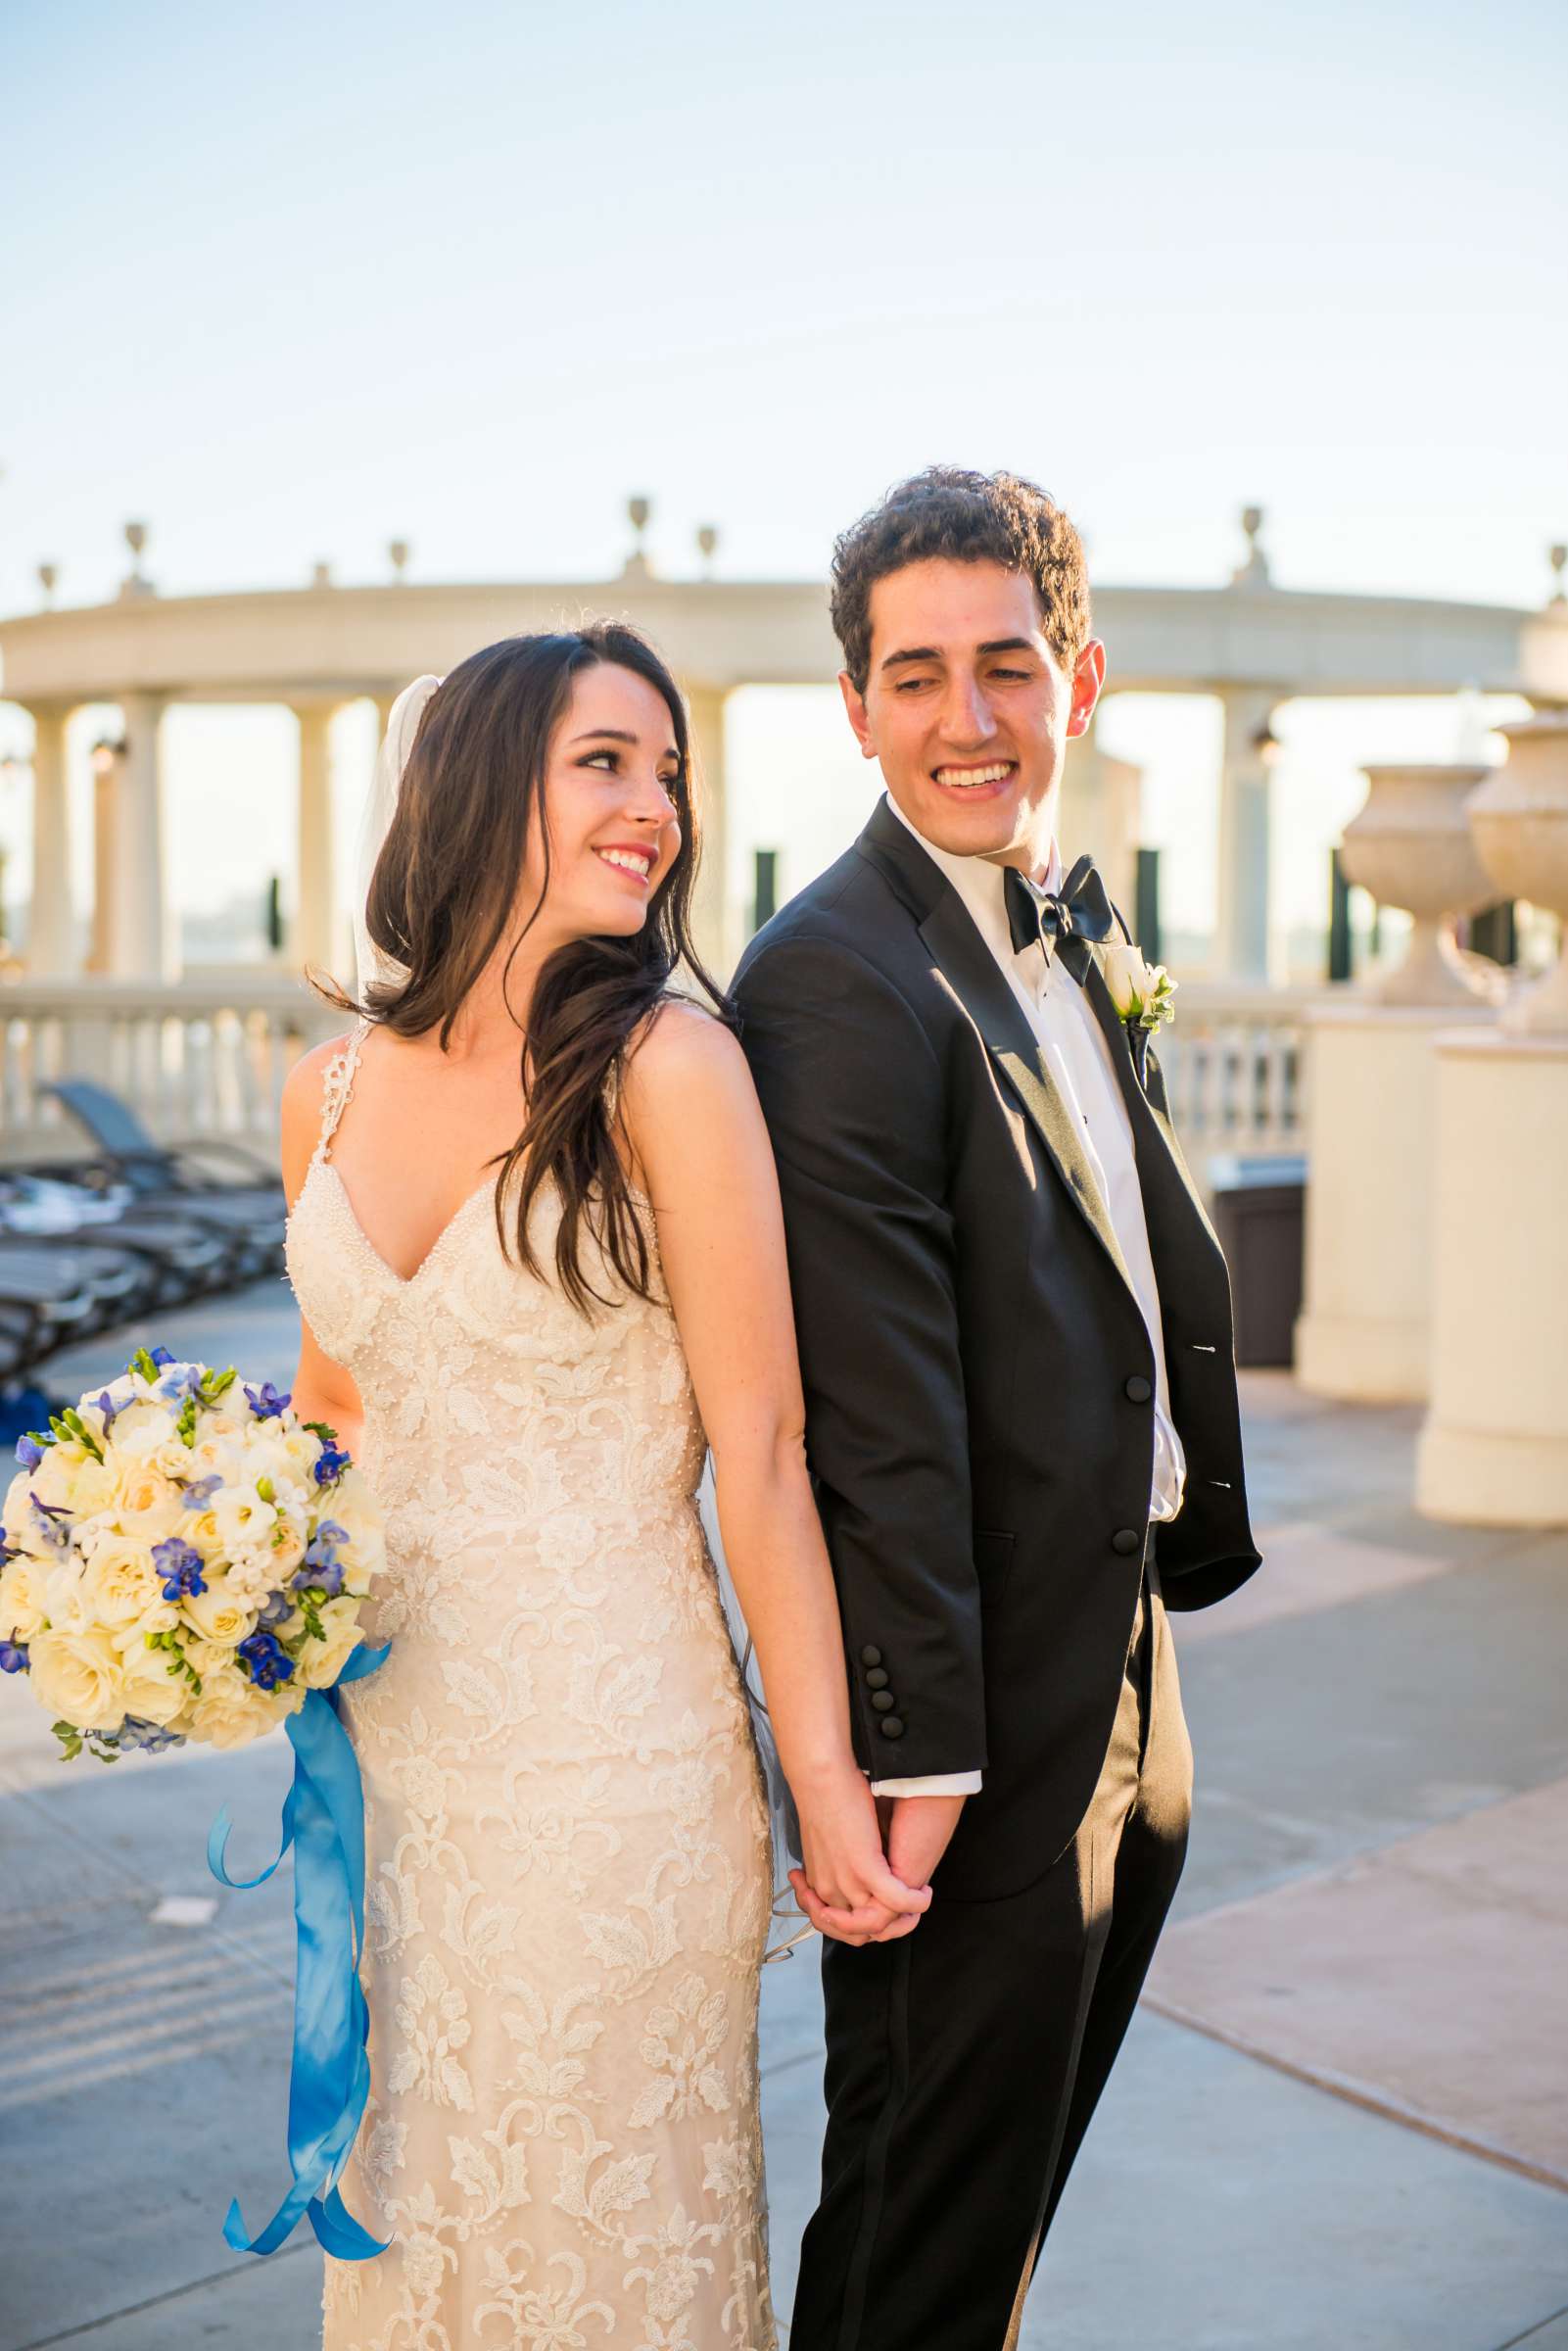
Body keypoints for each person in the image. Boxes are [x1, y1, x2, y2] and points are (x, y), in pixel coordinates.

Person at [279, 625, 927, 2351]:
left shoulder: (668, 1069)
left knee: (602, 2243)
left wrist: (825, 1787)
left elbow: (764, 1455)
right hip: (403, 1765)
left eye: (667, 771)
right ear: (482, 786)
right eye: (605, 764)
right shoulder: (322, 1098)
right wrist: (228, 1585)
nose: (655, 808)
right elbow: (338, 1406)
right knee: (424, 2235)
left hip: (618, 1775)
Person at [732, 468, 1262, 2351]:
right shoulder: (830, 982)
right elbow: (877, 1413)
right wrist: (922, 1765)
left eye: (1007, 668)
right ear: (855, 706)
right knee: (918, 2243)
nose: (969, 720)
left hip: (1115, 1665)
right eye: (918, 676)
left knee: (986, 2227)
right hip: (975, 1751)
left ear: (1079, 680)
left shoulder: (1046, 927)